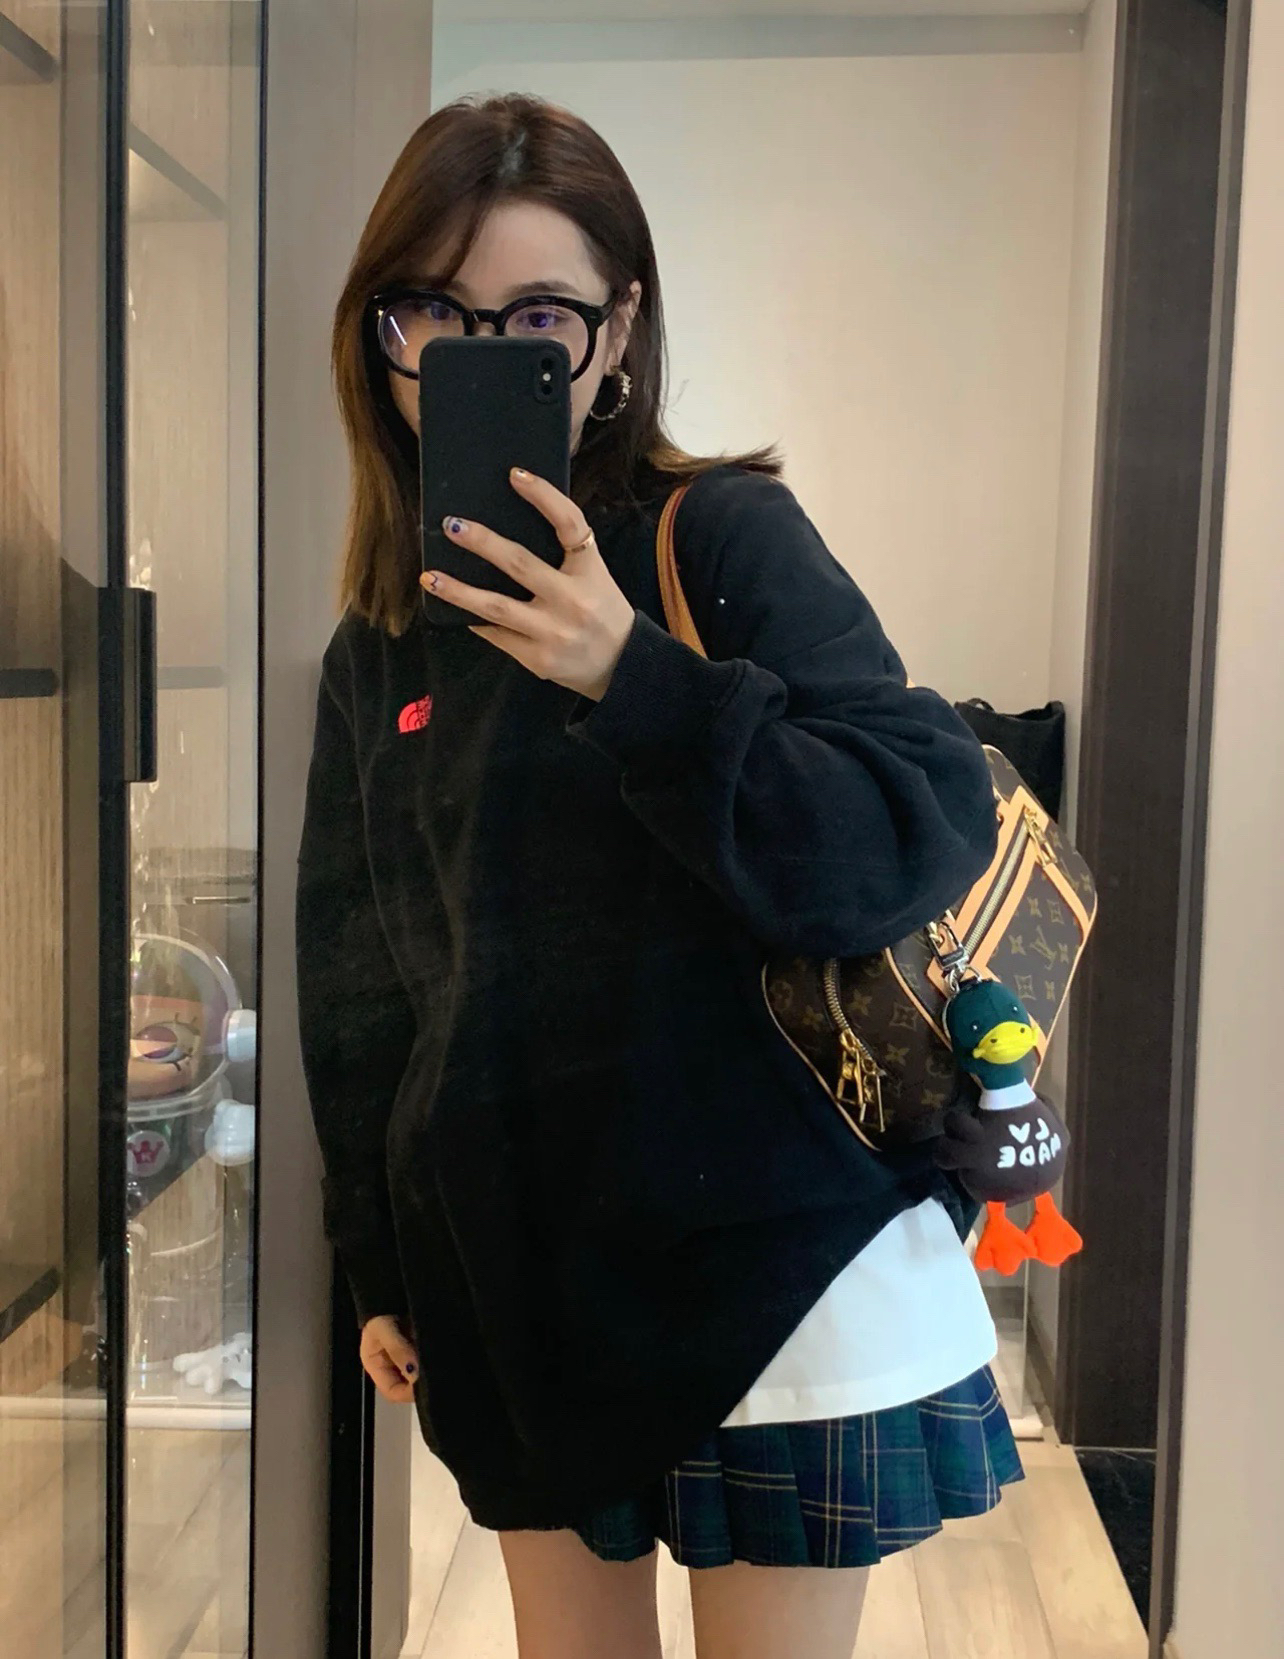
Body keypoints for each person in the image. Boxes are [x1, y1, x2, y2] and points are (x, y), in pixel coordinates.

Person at [298, 93, 1022, 1659]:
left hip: (774, 1272)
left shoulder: (725, 537)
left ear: (616, 335)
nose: (481, 353)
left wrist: (633, 676)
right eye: (435, 313)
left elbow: (911, 830)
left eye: (538, 319)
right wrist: (377, 1254)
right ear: (380, 339)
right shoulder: (384, 638)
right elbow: (357, 978)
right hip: (524, 1284)